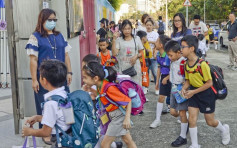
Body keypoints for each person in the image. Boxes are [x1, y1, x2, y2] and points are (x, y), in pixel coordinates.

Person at [25, 8, 72, 144]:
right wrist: (34, 80)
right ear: (42, 20)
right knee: (45, 105)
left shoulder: (60, 36)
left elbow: (67, 55)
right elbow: (33, 60)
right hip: (45, 78)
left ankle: (69, 127)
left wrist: (69, 72)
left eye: (54, 20)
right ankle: (46, 133)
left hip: (61, 77)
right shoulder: (35, 37)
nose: (52, 22)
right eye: (49, 19)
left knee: (65, 102)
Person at [180, 35, 230, 148]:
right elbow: (188, 80)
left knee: (210, 121)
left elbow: (209, 83)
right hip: (194, 93)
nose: (181, 49)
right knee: (192, 119)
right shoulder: (186, 64)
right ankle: (195, 144)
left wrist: (193, 92)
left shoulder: (202, 64)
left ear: (191, 48)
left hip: (206, 94)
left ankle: (224, 130)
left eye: (183, 47)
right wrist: (184, 88)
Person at [82, 62, 137, 148]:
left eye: (85, 77)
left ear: (95, 78)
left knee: (105, 144)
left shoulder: (109, 88)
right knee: (127, 140)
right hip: (114, 115)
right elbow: (103, 96)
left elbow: (128, 101)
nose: (83, 80)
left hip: (118, 117)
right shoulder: (100, 85)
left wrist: (127, 118)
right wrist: (90, 90)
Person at [22, 60, 71, 148]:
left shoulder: (50, 103)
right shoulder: (64, 94)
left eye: (40, 76)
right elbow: (61, 119)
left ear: (44, 80)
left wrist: (29, 132)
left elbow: (45, 132)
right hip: (68, 136)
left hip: (59, 141)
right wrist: (38, 118)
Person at [81, 54, 123, 148]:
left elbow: (102, 95)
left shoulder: (100, 83)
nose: (83, 73)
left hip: (103, 112)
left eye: (84, 68)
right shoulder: (92, 81)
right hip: (101, 113)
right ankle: (114, 145)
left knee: (102, 135)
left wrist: (91, 93)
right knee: (103, 135)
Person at [164, 40, 188, 147]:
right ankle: (185, 120)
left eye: (171, 55)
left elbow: (187, 77)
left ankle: (183, 136)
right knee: (173, 112)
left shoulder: (184, 62)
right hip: (173, 89)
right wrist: (167, 78)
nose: (169, 57)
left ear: (179, 52)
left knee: (182, 113)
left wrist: (184, 87)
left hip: (181, 89)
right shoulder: (173, 61)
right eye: (168, 55)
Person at [112, 19, 144, 86]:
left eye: (129, 29)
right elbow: (114, 53)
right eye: (125, 29)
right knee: (125, 90)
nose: (127, 31)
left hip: (135, 69)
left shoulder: (136, 38)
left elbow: (142, 52)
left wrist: (136, 56)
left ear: (131, 29)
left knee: (136, 89)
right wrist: (114, 40)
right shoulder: (119, 40)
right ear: (122, 30)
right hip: (123, 70)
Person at [150, 35, 171, 128]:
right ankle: (157, 119)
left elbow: (174, 70)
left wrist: (167, 78)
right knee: (161, 97)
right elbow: (159, 68)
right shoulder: (158, 54)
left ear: (161, 45)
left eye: (157, 41)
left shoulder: (169, 55)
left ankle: (184, 116)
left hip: (172, 78)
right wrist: (157, 81)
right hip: (163, 77)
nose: (155, 42)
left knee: (177, 100)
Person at [145, 18, 160, 95]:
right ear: (145, 25)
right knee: (145, 73)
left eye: (150, 25)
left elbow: (157, 44)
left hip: (153, 56)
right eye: (147, 25)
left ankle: (157, 88)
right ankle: (146, 87)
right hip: (145, 57)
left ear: (152, 26)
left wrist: (150, 41)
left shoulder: (155, 34)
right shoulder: (143, 33)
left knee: (155, 73)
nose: (148, 26)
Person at [136, 30, 152, 95]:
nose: (147, 38)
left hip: (143, 65)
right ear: (143, 38)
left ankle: (142, 95)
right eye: (146, 37)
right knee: (140, 80)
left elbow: (149, 55)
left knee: (143, 80)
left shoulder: (144, 45)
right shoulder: (139, 46)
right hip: (140, 66)